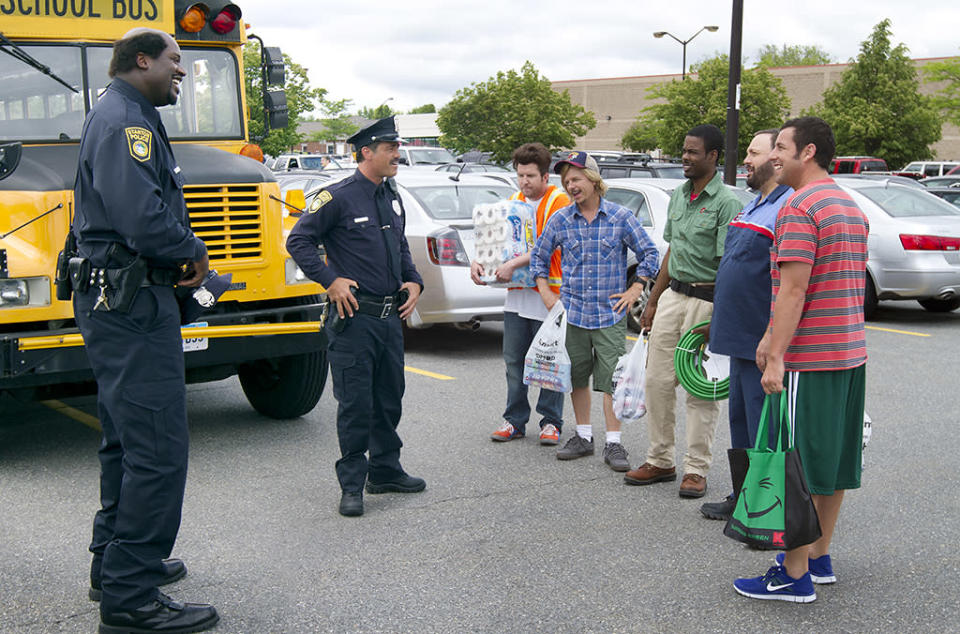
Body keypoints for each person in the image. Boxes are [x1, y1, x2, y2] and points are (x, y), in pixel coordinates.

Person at [72, 28, 218, 633]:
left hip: (117, 298)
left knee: (127, 439)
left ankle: (115, 564)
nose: (181, 72)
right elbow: (141, 217)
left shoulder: (119, 112)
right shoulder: (126, 121)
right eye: (175, 61)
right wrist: (194, 250)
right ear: (142, 61)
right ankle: (131, 597)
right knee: (157, 446)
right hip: (132, 301)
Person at [733, 116, 868, 603]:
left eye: (782, 148)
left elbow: (794, 290)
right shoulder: (849, 205)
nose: (773, 156)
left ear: (807, 152)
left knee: (795, 463)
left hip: (809, 360)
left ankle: (792, 575)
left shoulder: (799, 207)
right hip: (849, 355)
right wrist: (771, 337)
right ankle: (818, 555)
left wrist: (775, 356)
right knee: (831, 462)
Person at [286, 116, 425, 518]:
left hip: (388, 318)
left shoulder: (389, 194)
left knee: (388, 397)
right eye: (390, 148)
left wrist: (414, 281)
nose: (397, 154)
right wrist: (330, 280)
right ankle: (352, 484)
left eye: (397, 147)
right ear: (367, 152)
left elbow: (398, 246)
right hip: (354, 319)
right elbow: (298, 240)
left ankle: (385, 470)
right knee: (355, 403)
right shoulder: (338, 197)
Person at [624, 124, 742, 498]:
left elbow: (728, 266)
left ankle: (696, 469)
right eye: (684, 151)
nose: (685, 158)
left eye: (693, 152)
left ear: (713, 157)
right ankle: (660, 460)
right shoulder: (677, 196)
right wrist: (654, 302)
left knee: (700, 390)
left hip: (708, 301)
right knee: (657, 382)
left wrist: (720, 317)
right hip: (674, 295)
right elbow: (671, 252)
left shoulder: (726, 203)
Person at [529, 152, 658, 471]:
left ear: (594, 179)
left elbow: (650, 254)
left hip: (610, 316)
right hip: (572, 315)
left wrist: (636, 288)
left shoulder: (620, 217)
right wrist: (546, 293)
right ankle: (584, 437)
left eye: (576, 179)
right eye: (566, 181)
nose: (571, 186)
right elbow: (538, 259)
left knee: (611, 380)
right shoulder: (561, 220)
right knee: (576, 378)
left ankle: (614, 443)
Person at [697, 130, 793, 520]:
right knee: (740, 422)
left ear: (776, 158)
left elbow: (788, 282)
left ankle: (767, 510)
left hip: (760, 340)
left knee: (764, 427)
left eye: (754, 153)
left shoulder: (787, 207)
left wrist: (773, 336)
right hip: (735, 336)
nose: (746, 160)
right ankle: (743, 497)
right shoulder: (752, 205)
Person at [470, 143, 568, 445]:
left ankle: (551, 421)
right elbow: (496, 242)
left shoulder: (559, 202)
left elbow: (547, 244)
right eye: (520, 175)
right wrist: (479, 261)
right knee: (514, 360)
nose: (524, 182)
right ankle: (514, 419)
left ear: (545, 177)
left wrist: (513, 263)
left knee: (549, 360)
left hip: (550, 295)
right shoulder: (513, 201)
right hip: (517, 297)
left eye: (530, 176)